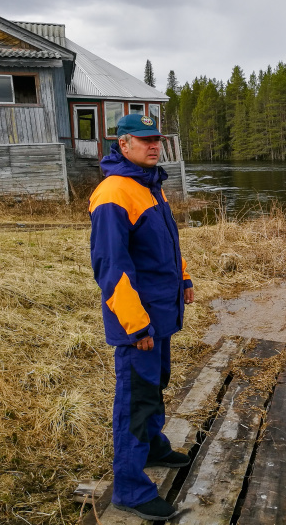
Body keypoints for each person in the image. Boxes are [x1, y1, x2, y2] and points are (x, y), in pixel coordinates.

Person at [89, 113, 194, 521]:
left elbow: (166, 243)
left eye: (158, 139)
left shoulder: (150, 186)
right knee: (135, 400)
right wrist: (135, 325)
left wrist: (183, 278)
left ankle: (153, 448)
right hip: (139, 322)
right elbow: (110, 267)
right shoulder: (114, 192)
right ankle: (130, 489)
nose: (154, 146)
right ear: (124, 143)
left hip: (161, 311)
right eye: (145, 140)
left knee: (156, 384)